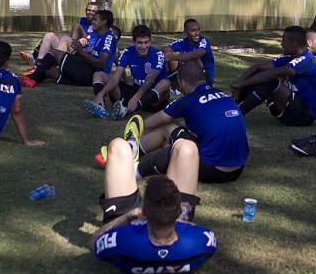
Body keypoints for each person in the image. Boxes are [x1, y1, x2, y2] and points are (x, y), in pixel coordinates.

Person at [98, 61, 248, 184]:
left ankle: (134, 169)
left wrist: (134, 130)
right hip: (238, 169)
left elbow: (149, 124)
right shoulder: (222, 94)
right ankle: (131, 151)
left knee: (171, 134)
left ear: (182, 82)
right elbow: (204, 124)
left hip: (213, 170)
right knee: (178, 128)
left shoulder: (187, 100)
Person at [90, 141, 218, 274]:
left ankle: (137, 169)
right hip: (173, 221)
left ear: (143, 210)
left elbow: (93, 242)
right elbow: (206, 236)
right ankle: (139, 169)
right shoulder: (199, 242)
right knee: (188, 148)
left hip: (129, 222)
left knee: (118, 147)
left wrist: (128, 216)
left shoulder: (121, 242)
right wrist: (176, 219)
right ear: (180, 208)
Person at [229, 25, 316, 128]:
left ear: (294, 44)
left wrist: (242, 84)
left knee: (271, 81)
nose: (281, 44)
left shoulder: (307, 60)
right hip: (291, 109)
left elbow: (270, 75)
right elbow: (258, 68)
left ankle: (235, 116)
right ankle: (228, 107)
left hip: (304, 116)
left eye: (284, 41)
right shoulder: (290, 57)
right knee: (260, 76)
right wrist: (239, 83)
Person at [21, 9, 117, 95]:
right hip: (88, 72)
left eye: (96, 20)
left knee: (54, 52)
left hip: (91, 73)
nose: (93, 22)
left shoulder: (108, 38)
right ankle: (34, 75)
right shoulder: (102, 37)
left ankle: (32, 79)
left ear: (104, 22)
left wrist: (81, 52)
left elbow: (101, 63)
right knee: (51, 71)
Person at [90, 24, 172, 119]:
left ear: (150, 41)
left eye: (146, 42)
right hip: (137, 92)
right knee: (99, 75)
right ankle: (99, 105)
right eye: (140, 43)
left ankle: (127, 110)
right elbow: (116, 78)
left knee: (165, 84)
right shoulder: (127, 52)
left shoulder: (158, 54)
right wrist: (101, 93)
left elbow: (150, 79)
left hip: (153, 99)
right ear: (133, 42)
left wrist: (136, 97)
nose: (143, 46)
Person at [21, 1, 99, 67]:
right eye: (88, 10)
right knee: (50, 35)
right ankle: (39, 62)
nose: (90, 12)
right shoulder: (82, 20)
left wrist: (85, 39)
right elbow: (73, 38)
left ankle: (48, 61)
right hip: (72, 47)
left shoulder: (99, 25)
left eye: (93, 11)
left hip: (82, 53)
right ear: (85, 10)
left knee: (69, 33)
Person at [163, 18, 216, 87]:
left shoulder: (203, 42)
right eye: (193, 30)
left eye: (198, 29)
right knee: (166, 53)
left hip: (204, 77)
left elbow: (196, 55)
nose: (197, 33)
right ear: (185, 32)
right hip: (187, 73)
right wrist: (165, 57)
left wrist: (171, 58)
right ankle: (170, 83)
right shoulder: (183, 42)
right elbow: (164, 49)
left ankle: (176, 86)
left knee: (193, 59)